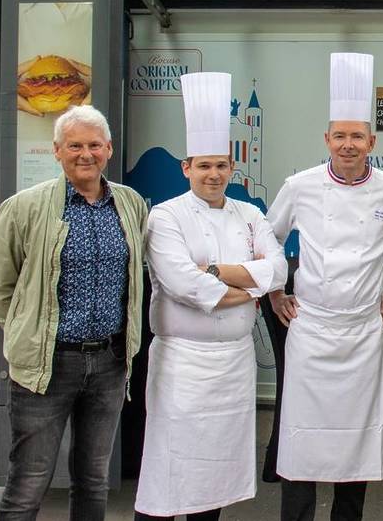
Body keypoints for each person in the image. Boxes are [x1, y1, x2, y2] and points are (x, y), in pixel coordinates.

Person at [0, 105, 148, 520]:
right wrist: (29, 332)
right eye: (74, 145)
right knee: (28, 483)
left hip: (109, 364)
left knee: (93, 479)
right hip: (46, 364)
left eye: (94, 145)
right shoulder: (24, 208)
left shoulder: (128, 204)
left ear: (108, 149)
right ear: (57, 151)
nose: (85, 153)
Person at [133, 73, 288, 520]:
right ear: (187, 168)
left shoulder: (251, 212)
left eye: (221, 165)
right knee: (169, 460)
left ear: (232, 168)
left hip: (234, 363)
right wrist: (248, 286)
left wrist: (217, 273)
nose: (213, 174)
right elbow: (183, 283)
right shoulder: (165, 216)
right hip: (183, 361)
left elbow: (276, 270)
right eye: (204, 165)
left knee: (216, 469)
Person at [267, 52, 383, 521]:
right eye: (339, 136)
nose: (347, 145)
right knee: (301, 437)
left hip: (362, 329)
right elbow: (267, 240)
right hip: (310, 326)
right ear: (326, 139)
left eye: (356, 136)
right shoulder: (300, 186)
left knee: (357, 441)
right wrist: (274, 291)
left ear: (371, 140)